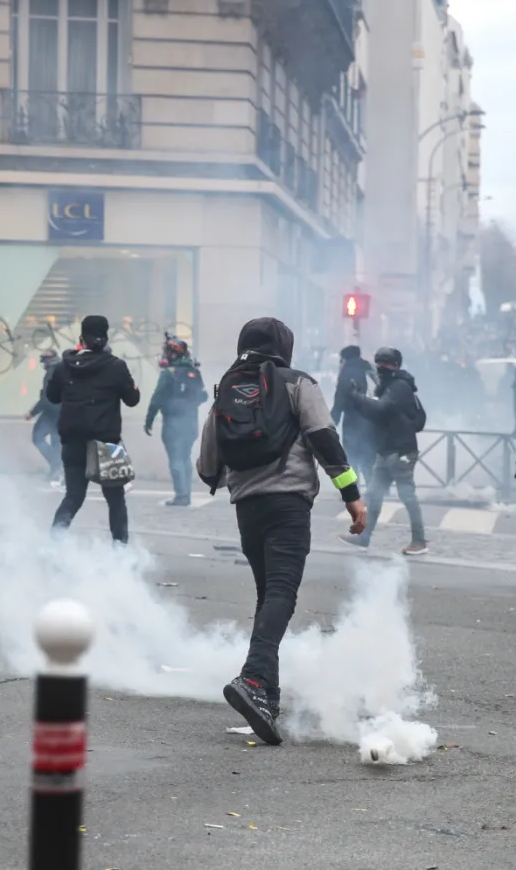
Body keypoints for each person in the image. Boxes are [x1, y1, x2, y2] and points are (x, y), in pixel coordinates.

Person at [197, 317, 366, 745]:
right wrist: (351, 494)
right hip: (288, 504)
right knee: (281, 593)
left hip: (247, 508)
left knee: (268, 594)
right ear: (285, 347)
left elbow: (207, 465)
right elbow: (324, 437)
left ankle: (267, 701)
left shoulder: (226, 389)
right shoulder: (297, 383)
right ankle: (254, 679)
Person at [48, 315, 141, 543]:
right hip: (106, 442)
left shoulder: (64, 366)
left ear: (82, 338)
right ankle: (120, 550)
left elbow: (52, 396)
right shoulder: (116, 366)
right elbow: (132, 399)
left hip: (73, 441)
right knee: (115, 499)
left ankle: (54, 544)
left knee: (73, 497)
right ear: (105, 337)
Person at [336, 347, 427, 556]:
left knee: (407, 495)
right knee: (374, 496)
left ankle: (419, 541)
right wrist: (358, 398)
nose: (381, 367)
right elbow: (374, 414)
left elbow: (382, 409)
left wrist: (358, 397)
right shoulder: (387, 387)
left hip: (402, 451)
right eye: (379, 362)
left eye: (386, 363)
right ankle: (363, 538)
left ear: (396, 365)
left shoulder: (399, 386)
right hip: (386, 449)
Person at [145, 336, 207, 507]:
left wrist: (149, 420)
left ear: (173, 354)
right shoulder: (194, 372)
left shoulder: (169, 373)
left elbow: (157, 398)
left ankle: (181, 495)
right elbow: (203, 396)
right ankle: (186, 493)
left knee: (176, 458)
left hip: (173, 423)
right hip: (191, 422)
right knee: (185, 457)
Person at [330, 346, 375, 489]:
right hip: (372, 420)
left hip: (353, 420)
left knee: (352, 456)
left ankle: (353, 488)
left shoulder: (347, 373)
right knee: (368, 455)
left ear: (344, 359)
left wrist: (332, 421)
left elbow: (340, 399)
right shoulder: (369, 369)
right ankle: (374, 488)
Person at [25, 349, 62, 485]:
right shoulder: (62, 371)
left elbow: (46, 398)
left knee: (38, 437)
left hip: (51, 412)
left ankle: (57, 465)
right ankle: (57, 468)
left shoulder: (51, 373)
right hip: (61, 411)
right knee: (56, 441)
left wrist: (32, 412)